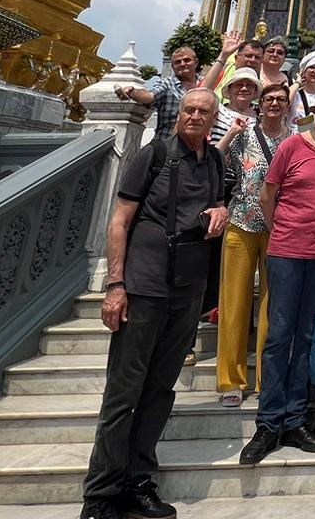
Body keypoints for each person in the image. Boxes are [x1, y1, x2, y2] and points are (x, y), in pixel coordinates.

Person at [81, 88, 229, 519]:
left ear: (213, 118)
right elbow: (120, 219)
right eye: (189, 110)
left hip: (187, 287)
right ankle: (101, 494)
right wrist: (115, 285)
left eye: (204, 111)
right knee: (124, 392)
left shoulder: (215, 161)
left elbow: (217, 202)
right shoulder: (154, 155)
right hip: (144, 285)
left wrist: (220, 211)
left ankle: (138, 479)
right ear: (179, 113)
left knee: (161, 390)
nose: (195, 117)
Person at [239, 82, 315, 463]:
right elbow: (267, 195)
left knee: (309, 336)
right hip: (287, 253)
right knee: (278, 336)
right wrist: (283, 234)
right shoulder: (292, 145)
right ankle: (268, 422)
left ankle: (295, 419)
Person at [214, 75, 283, 405]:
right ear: (261, 103)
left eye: (280, 100)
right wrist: (230, 133)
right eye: (269, 99)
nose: (274, 104)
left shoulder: (294, 139)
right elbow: (215, 162)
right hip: (241, 220)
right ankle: (231, 379)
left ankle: (265, 378)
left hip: (278, 227)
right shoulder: (244, 134)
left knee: (271, 305)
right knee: (235, 302)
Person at [116, 45, 202, 142]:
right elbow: (150, 96)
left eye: (186, 60)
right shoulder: (167, 83)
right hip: (166, 145)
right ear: (173, 67)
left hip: (200, 147)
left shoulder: (206, 83)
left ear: (196, 62)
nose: (182, 64)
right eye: (177, 62)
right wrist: (132, 92)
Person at [212, 67, 259, 145]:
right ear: (229, 89)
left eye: (249, 85)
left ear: (255, 91)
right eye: (238, 84)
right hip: (217, 156)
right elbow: (200, 92)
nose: (244, 88)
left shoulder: (261, 119)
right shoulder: (218, 110)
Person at [288, 48, 315, 126]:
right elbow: (285, 103)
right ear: (304, 72)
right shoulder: (295, 94)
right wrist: (298, 83)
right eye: (312, 67)